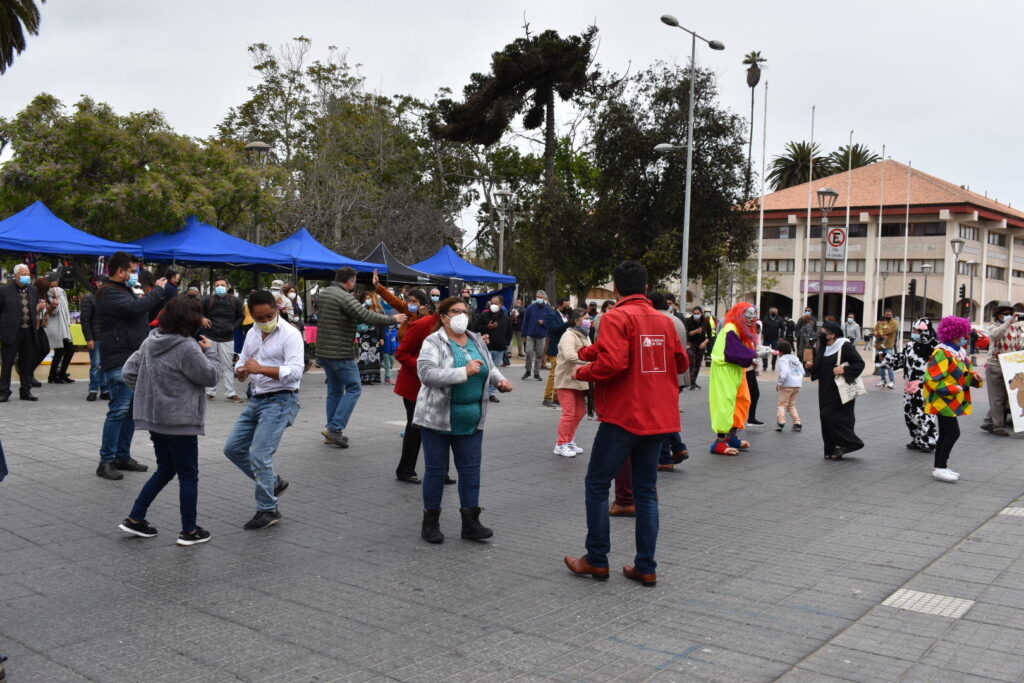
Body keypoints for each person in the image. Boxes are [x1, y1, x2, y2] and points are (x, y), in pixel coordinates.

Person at [563, 261, 688, 588]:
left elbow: (615, 360)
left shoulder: (615, 316)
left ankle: (597, 558)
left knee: (597, 483)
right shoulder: (666, 321)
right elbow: (682, 361)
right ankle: (646, 566)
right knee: (647, 491)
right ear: (646, 288)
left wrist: (583, 371)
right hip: (659, 417)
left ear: (616, 288)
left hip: (623, 416)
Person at [117, 296, 221, 546]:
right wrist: (212, 352)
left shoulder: (151, 339)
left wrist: (150, 393)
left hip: (155, 420)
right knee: (188, 475)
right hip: (180, 422)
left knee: (165, 469)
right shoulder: (187, 347)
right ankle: (189, 530)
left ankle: (135, 518)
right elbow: (211, 376)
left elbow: (128, 373)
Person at [414, 297, 513, 544]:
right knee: (436, 472)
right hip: (437, 419)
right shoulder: (433, 341)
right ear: (443, 316)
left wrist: (499, 381)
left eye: (464, 311)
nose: (461, 315)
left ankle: (471, 522)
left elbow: (489, 367)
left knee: (470, 472)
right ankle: (431, 522)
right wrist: (463, 372)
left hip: (471, 420)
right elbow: (426, 374)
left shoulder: (476, 338)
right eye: (455, 311)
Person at [223, 290, 304, 529]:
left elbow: (295, 372)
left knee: (260, 454)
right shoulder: (252, 333)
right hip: (257, 398)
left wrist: (260, 369)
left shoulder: (291, 334)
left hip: (281, 400)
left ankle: (268, 510)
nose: (265, 321)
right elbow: (243, 359)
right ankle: (274, 482)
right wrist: (241, 370)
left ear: (276, 308)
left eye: (269, 315)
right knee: (233, 449)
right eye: (259, 318)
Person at [93, 252, 167, 480]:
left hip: (132, 357)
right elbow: (135, 309)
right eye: (132, 270)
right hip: (119, 357)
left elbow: (142, 310)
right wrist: (157, 291)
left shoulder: (123, 290)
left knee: (130, 412)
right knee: (118, 410)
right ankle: (106, 461)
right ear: (120, 271)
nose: (134, 274)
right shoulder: (109, 292)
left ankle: (122, 456)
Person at [316, 266, 405, 448]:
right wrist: (393, 319)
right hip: (340, 351)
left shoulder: (325, 293)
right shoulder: (344, 297)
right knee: (354, 388)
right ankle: (335, 428)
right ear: (350, 282)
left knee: (334, 390)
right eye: (354, 281)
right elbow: (365, 315)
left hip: (324, 350)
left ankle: (330, 430)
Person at [924, 316, 983, 482]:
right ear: (953, 333)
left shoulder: (960, 352)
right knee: (952, 433)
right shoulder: (941, 352)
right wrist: (951, 388)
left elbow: (966, 373)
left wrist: (975, 378)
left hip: (953, 399)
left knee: (945, 433)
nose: (965, 337)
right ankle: (940, 467)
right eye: (962, 333)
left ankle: (941, 466)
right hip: (942, 399)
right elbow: (932, 377)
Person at [808, 320, 865, 460]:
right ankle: (832, 449)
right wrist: (811, 367)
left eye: (823, 332)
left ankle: (852, 442)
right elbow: (820, 367)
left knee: (830, 416)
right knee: (825, 417)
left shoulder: (844, 345)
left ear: (833, 334)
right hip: (825, 389)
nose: (821, 334)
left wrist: (844, 369)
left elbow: (859, 363)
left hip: (841, 389)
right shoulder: (824, 347)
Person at [708, 303, 758, 455]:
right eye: (747, 316)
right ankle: (720, 441)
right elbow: (733, 351)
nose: (750, 320)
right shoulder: (730, 328)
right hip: (725, 369)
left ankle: (731, 435)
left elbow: (741, 349)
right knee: (726, 402)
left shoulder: (740, 330)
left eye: (752, 317)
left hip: (736, 370)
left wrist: (754, 353)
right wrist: (754, 355)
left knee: (742, 400)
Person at [649, 292, 688, 472]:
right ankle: (678, 448)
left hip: (663, 374)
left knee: (659, 416)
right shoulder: (676, 319)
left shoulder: (656, 320)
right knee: (666, 413)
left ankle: (665, 456)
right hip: (679, 374)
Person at [892, 318, 939, 452]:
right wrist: (886, 359)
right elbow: (901, 359)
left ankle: (929, 441)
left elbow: (940, 368)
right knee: (910, 415)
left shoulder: (935, 347)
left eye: (915, 331)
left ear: (924, 331)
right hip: (909, 387)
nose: (913, 333)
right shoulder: (911, 345)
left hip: (925, 388)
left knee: (923, 416)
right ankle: (917, 439)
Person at [553, 307, 592, 457]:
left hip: (580, 380)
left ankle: (569, 440)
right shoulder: (568, 335)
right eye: (586, 318)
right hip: (567, 379)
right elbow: (570, 356)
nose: (589, 321)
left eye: (589, 318)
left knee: (580, 412)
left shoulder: (585, 335)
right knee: (569, 413)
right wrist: (589, 362)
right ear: (577, 321)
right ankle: (561, 443)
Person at [981, 302, 1023, 437]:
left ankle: (988, 422)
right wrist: (1007, 323)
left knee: (1004, 398)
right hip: (995, 366)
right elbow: (995, 335)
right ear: (998, 315)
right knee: (997, 398)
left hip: (1009, 367)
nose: (1009, 316)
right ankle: (998, 426)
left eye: (1010, 314)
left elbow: (1018, 345)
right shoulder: (994, 326)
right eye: (1005, 314)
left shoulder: (1015, 329)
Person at [201, 277, 245, 402]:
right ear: (214, 287)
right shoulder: (207, 300)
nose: (220, 287)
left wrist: (233, 327)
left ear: (227, 286)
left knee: (228, 366)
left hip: (227, 338)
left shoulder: (234, 301)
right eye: (217, 285)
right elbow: (199, 312)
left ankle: (230, 392)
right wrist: (202, 318)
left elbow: (241, 316)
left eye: (222, 284)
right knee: (210, 364)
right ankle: (210, 392)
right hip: (211, 336)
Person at [0, 264, 40, 402]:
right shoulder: (4, 290)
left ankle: (25, 390)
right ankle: (4, 391)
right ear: (16, 276)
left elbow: (34, 310)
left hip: (28, 331)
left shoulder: (33, 290)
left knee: (26, 363)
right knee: (7, 362)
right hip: (11, 331)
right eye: (23, 274)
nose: (26, 277)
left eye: (28, 274)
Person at [473, 295, 513, 403]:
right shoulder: (484, 315)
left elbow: (510, 332)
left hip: (500, 348)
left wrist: (506, 344)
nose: (493, 305)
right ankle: (481, 392)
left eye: (496, 303)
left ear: (501, 305)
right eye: (492, 303)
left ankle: (491, 393)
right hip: (486, 348)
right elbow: (476, 327)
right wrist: (487, 327)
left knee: (495, 371)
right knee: (484, 370)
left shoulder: (505, 317)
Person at [371, 270, 428, 340]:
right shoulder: (405, 307)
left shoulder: (426, 314)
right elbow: (392, 299)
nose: (410, 303)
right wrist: (377, 285)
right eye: (409, 301)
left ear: (421, 303)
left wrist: (420, 314)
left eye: (414, 301)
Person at [44, 274, 75, 384]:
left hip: (64, 326)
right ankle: (52, 376)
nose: (55, 283)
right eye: (52, 281)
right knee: (60, 351)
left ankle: (61, 374)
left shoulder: (61, 292)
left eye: (56, 280)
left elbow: (65, 308)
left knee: (70, 350)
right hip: (55, 327)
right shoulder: (46, 294)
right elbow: (53, 312)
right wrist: (54, 301)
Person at [80, 288, 109, 401]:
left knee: (105, 364)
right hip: (95, 337)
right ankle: (93, 389)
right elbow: (85, 319)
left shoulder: (109, 298)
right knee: (96, 364)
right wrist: (89, 338)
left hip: (107, 337)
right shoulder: (89, 298)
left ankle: (105, 389)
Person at [542, 297, 571, 408]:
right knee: (554, 373)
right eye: (565, 306)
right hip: (555, 348)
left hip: (565, 348)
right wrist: (568, 323)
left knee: (562, 374)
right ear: (559, 305)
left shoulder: (566, 316)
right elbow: (554, 329)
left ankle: (557, 397)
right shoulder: (552, 315)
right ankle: (547, 397)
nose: (567, 308)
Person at [356, 291, 385, 385]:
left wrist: (381, 337)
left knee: (374, 357)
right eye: (366, 298)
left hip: (374, 337)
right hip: (364, 336)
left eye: (370, 298)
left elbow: (381, 324)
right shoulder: (362, 308)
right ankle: (364, 378)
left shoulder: (378, 310)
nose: (368, 300)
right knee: (364, 356)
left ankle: (373, 377)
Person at [520, 290, 551, 381]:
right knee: (529, 352)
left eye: (541, 297)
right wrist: (523, 334)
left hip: (542, 335)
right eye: (538, 297)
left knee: (539, 354)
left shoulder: (548, 309)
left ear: (545, 298)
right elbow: (525, 321)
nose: (539, 299)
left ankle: (536, 372)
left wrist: (544, 322)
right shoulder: (530, 308)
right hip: (530, 334)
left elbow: (550, 322)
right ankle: (528, 370)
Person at [774, 340, 803, 431]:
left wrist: (779, 383)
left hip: (787, 384)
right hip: (797, 384)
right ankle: (797, 423)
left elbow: (784, 372)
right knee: (791, 405)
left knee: (782, 404)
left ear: (781, 352)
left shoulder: (783, 359)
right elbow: (803, 371)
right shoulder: (795, 359)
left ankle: (781, 422)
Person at [683, 306, 712, 390]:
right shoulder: (688, 321)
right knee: (692, 363)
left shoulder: (705, 321)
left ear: (701, 313)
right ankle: (689, 382)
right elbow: (686, 334)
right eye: (694, 313)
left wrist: (705, 342)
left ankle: (694, 382)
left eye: (698, 313)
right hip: (691, 344)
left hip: (701, 344)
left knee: (698, 364)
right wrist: (695, 331)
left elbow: (710, 335)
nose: (696, 315)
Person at [874, 309, 899, 389]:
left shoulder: (894, 322)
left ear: (892, 314)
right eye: (886, 314)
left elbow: (889, 330)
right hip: (879, 346)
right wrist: (880, 335)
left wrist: (879, 331)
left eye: (889, 314)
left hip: (888, 347)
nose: (888, 316)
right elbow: (874, 331)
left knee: (889, 365)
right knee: (881, 365)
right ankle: (883, 380)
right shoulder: (879, 322)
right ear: (884, 314)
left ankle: (891, 381)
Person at [760, 307, 784, 371]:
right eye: (772, 312)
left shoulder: (779, 319)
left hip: (775, 338)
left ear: (777, 312)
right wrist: (763, 333)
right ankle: (765, 366)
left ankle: (773, 365)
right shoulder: (766, 318)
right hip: (766, 338)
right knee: (764, 352)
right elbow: (761, 327)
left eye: (775, 312)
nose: (773, 313)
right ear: (769, 312)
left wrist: (781, 336)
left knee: (775, 352)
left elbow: (783, 328)